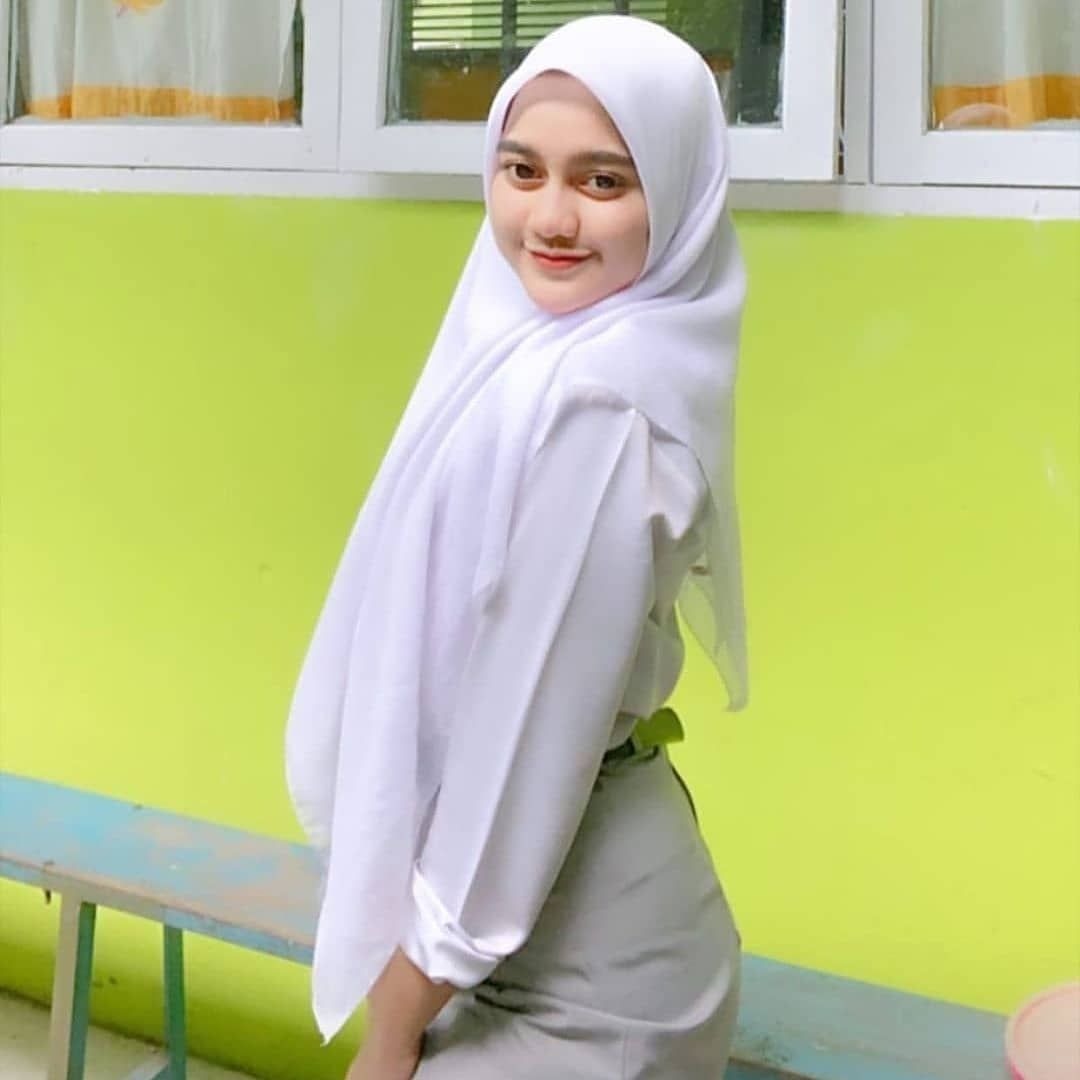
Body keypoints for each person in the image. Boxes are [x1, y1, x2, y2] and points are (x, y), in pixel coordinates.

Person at [285, 14, 749, 1079]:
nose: (550, 217)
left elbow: (524, 749)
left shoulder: (602, 407)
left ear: (677, 193)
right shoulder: (531, 349)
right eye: (522, 169)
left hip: (591, 986)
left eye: (603, 181)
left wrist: (391, 1033)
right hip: (520, 933)